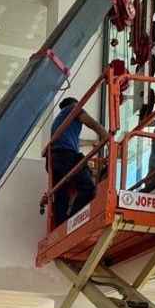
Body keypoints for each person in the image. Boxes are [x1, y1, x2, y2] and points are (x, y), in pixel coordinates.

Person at [47, 95, 107, 226]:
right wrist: (105, 135)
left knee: (61, 195)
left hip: (54, 160)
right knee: (87, 187)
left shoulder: (60, 123)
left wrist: (92, 143)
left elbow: (76, 142)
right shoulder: (73, 108)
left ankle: (61, 224)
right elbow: (91, 122)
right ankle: (74, 220)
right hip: (66, 156)